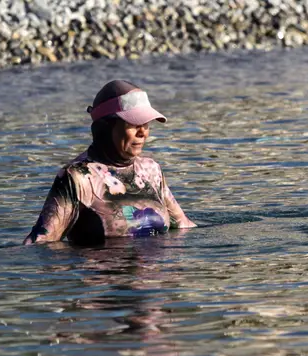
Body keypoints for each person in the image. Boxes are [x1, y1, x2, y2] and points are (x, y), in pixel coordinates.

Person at [23, 80, 196, 245]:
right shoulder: (78, 177)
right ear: (106, 127)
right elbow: (41, 244)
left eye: (146, 123)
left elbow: (183, 227)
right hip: (106, 273)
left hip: (154, 274)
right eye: (133, 123)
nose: (143, 132)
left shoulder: (151, 170)